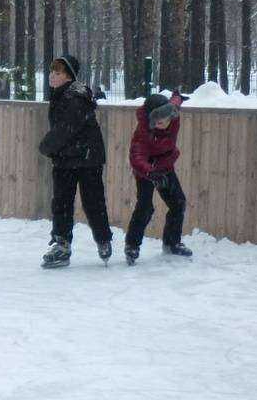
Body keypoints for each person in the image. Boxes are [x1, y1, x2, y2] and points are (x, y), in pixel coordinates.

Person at [38, 54, 112, 268]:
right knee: (61, 202)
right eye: (51, 71)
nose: (52, 75)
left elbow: (65, 129)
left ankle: (103, 239)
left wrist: (46, 146)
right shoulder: (60, 94)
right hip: (66, 159)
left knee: (93, 201)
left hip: (87, 158)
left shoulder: (74, 97)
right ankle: (61, 243)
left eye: (57, 72)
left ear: (68, 76)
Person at [126, 91, 193, 263]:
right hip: (146, 170)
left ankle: (172, 243)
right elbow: (136, 157)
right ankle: (132, 245)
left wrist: (178, 96)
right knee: (145, 207)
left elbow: (175, 102)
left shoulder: (173, 114)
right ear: (150, 119)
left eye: (166, 117)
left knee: (178, 202)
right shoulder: (143, 133)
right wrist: (151, 173)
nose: (163, 122)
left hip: (165, 165)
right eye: (158, 120)